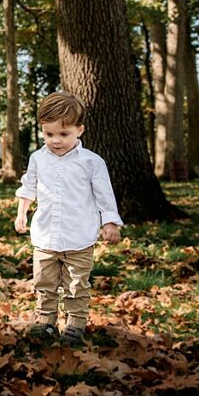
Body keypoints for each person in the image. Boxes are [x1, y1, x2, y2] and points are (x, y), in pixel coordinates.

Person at [14, 91, 124, 345]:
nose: (55, 140)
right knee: (44, 282)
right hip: (45, 237)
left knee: (76, 284)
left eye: (64, 134)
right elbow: (28, 186)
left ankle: (75, 324)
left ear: (79, 130)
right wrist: (22, 212)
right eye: (49, 134)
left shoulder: (91, 162)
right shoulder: (38, 159)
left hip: (79, 237)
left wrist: (109, 222)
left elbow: (104, 194)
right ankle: (45, 322)